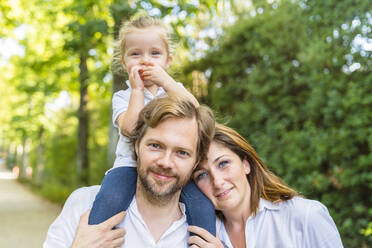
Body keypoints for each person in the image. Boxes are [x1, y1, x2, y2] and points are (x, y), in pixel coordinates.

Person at [89, 14, 215, 237]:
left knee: (201, 205)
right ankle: (95, 238)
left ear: (168, 61)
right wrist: (137, 91)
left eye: (155, 53)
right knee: (110, 199)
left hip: (173, 168)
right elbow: (131, 129)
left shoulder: (172, 89)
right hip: (128, 166)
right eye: (135, 54)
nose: (145, 60)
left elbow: (196, 113)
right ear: (124, 61)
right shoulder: (123, 96)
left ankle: (204, 241)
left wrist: (165, 81)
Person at [43, 95, 216, 248]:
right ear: (137, 146)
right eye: (155, 146)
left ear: (196, 162)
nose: (166, 162)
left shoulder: (211, 231)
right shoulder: (84, 204)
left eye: (182, 153)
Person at [188, 123, 344, 248]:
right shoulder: (202, 235)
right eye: (202, 175)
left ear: (246, 164)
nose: (217, 181)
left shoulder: (305, 216)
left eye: (223, 163)